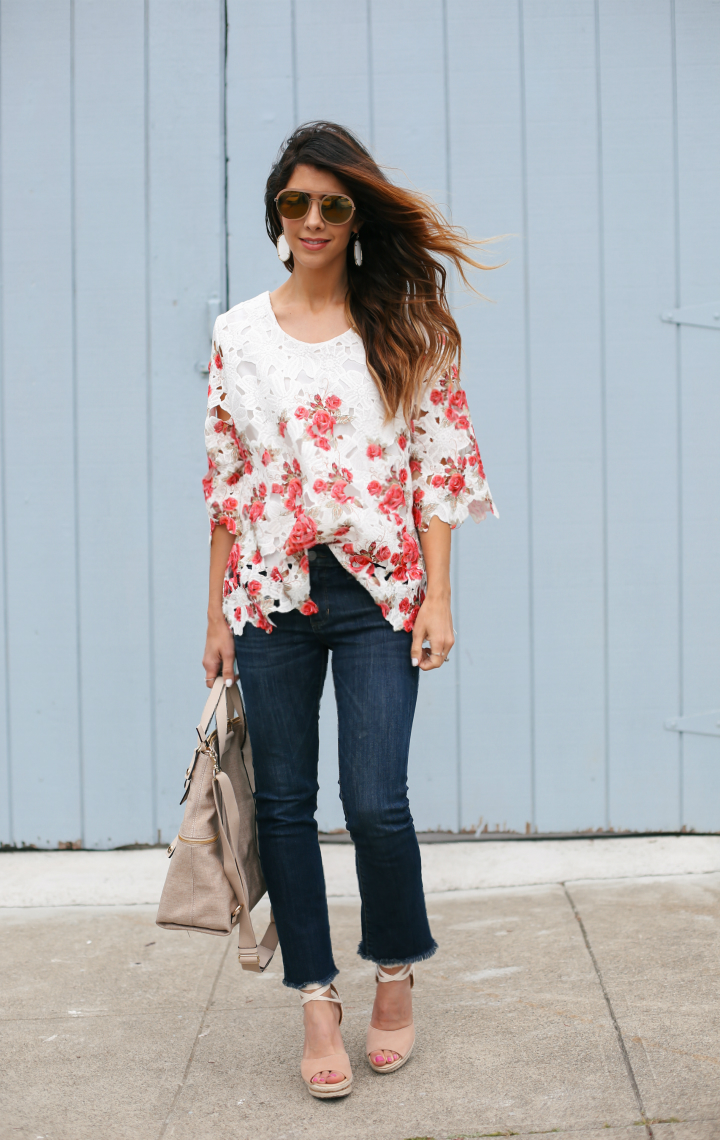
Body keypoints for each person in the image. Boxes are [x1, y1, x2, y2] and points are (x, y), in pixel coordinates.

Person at [202, 121, 497, 1099]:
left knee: (376, 801)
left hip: (380, 592)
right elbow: (228, 484)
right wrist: (214, 618)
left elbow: (440, 470)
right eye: (297, 202)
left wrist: (440, 597)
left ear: (355, 215)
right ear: (276, 219)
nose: (315, 218)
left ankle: (395, 972)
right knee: (285, 805)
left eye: (333, 202)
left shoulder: (405, 326)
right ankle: (317, 998)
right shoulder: (237, 333)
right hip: (268, 595)